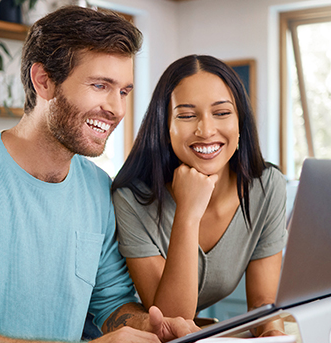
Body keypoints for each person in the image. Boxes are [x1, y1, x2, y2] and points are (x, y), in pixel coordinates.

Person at [0, 6, 198, 343]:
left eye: (124, 91)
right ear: (44, 81)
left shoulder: (98, 188)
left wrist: (151, 326)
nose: (117, 109)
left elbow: (113, 304)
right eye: (100, 85)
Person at [111, 55, 288, 337]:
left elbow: (262, 304)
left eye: (221, 113)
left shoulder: (266, 188)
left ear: (240, 121)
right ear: (165, 126)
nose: (206, 130)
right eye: (186, 115)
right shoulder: (132, 199)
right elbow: (171, 322)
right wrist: (188, 213)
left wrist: (274, 334)